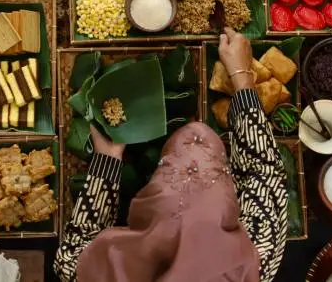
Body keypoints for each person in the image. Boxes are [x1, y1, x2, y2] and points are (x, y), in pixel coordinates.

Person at [55, 28, 289, 282]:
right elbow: (266, 174)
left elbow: (68, 257)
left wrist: (107, 162)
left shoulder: (96, 271)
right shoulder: (252, 264)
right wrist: (242, 77)